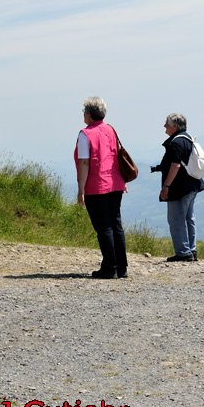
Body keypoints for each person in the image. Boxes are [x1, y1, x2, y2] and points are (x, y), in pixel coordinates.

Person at [74, 97, 128, 279]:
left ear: (88, 114)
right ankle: (121, 267)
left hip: (96, 186)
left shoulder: (85, 134)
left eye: (84, 112)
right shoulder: (110, 129)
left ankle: (109, 267)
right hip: (116, 183)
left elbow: (84, 162)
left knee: (103, 226)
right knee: (116, 224)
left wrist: (81, 189)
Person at [151, 113, 204, 262]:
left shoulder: (175, 142)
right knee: (189, 218)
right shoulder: (188, 139)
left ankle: (183, 252)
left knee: (176, 219)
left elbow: (175, 165)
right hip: (193, 183)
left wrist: (166, 186)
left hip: (179, 187)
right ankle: (191, 249)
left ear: (175, 126)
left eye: (167, 124)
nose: (164, 126)